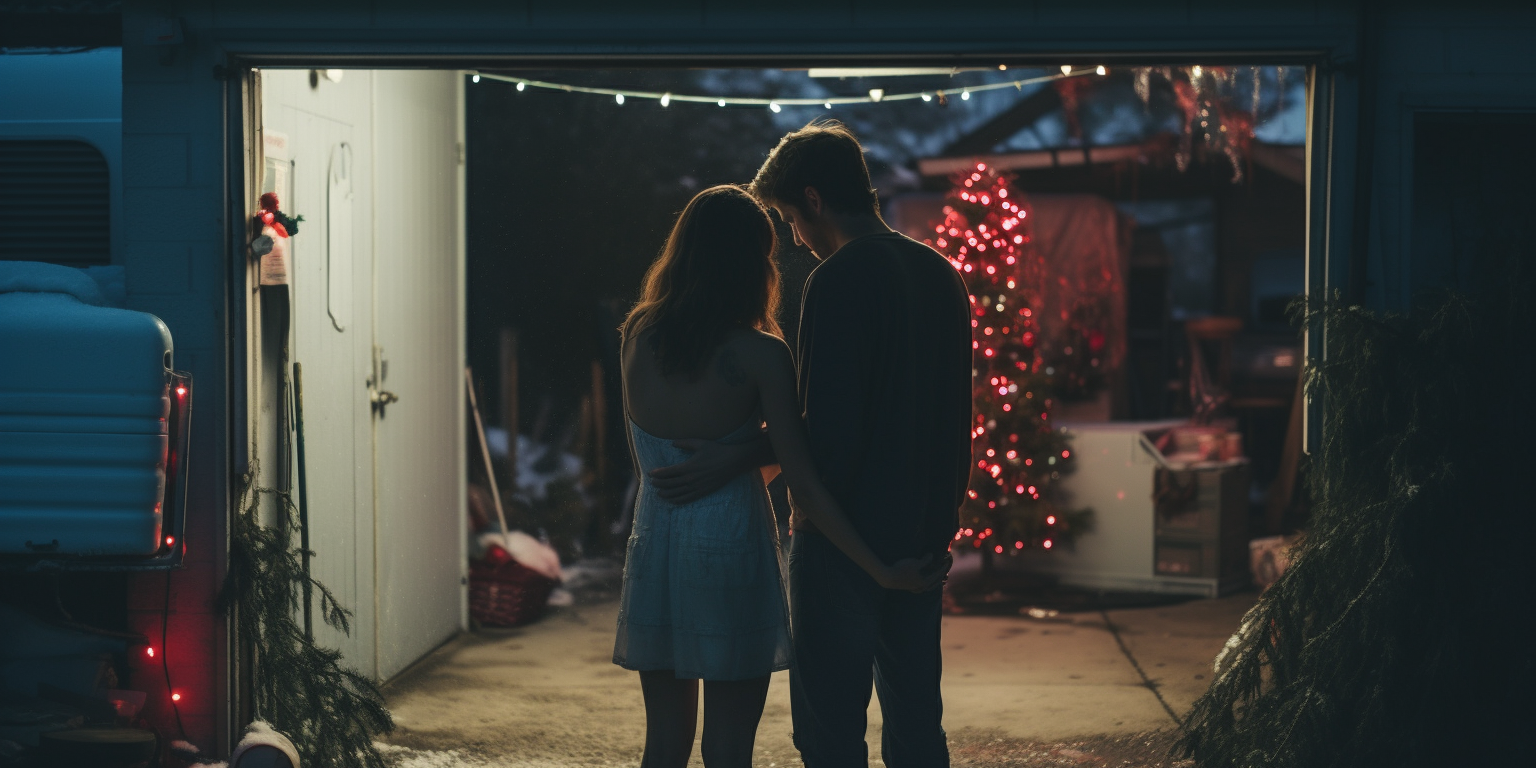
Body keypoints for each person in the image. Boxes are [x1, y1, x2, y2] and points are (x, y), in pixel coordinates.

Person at [648, 121, 974, 767]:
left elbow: (824, 432)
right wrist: (939, 526)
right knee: (917, 721)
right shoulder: (941, 274)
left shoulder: (839, 278)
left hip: (841, 536)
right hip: (923, 532)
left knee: (829, 731)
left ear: (815, 201)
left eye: (790, 218)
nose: (795, 237)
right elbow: (955, 419)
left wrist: (741, 456)